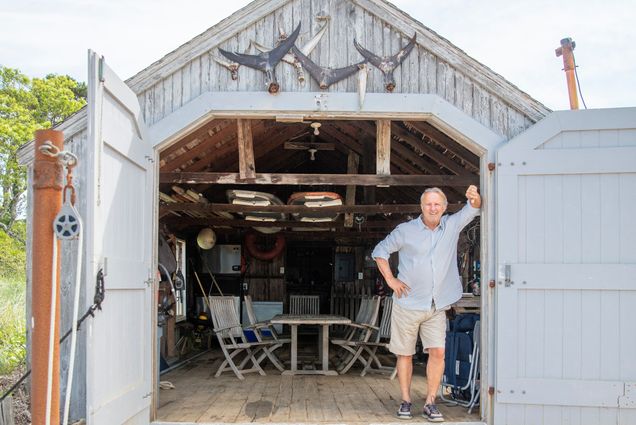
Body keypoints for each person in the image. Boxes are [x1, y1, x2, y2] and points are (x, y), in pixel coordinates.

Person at [372, 185, 481, 422]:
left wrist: (474, 196)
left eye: (437, 204)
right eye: (428, 204)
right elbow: (380, 251)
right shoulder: (405, 230)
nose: (433, 208)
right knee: (405, 354)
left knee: (438, 352)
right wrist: (391, 280)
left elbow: (472, 209)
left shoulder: (451, 225)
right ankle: (406, 401)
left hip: (436, 304)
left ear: (443, 208)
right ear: (421, 207)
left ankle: (431, 402)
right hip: (407, 303)